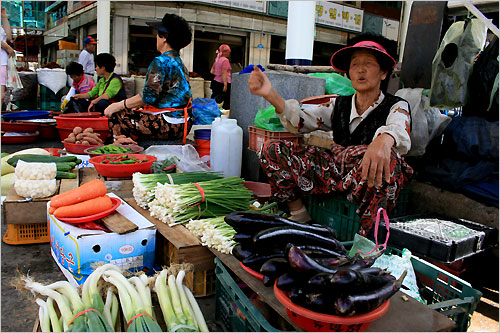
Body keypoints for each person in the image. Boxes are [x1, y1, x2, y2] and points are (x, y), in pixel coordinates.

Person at [248, 33, 413, 236]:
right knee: (273, 149)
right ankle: (299, 213)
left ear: (383, 73)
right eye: (355, 64)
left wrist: (384, 140)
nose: (361, 70)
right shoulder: (339, 105)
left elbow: (399, 128)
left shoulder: (396, 105)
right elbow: (301, 120)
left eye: (369, 64)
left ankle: (367, 239)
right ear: (349, 72)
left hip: (365, 180)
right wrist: (269, 93)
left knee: (389, 161)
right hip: (335, 172)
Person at [103, 13, 193, 144]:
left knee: (117, 115)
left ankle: (121, 149)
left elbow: (148, 96)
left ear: (164, 38)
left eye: (158, 34)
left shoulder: (161, 61)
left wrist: (118, 105)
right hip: (184, 123)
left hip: (168, 125)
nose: (156, 37)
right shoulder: (179, 63)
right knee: (132, 110)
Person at [1, 6, 15, 110]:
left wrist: (4, 16)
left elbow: (8, 37)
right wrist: (8, 48)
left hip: (2, 61)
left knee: (1, 96)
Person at [210, 44, 232, 110]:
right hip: (223, 82)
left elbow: (212, 71)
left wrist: (217, 73)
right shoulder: (225, 60)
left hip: (215, 82)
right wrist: (225, 85)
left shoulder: (217, 59)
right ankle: (224, 114)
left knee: (215, 99)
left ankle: (213, 112)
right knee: (226, 100)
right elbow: (224, 72)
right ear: (226, 52)